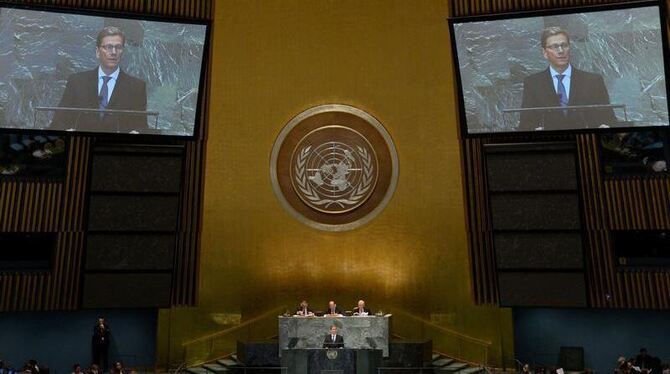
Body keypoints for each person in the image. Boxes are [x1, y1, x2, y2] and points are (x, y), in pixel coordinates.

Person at [51, 26, 147, 133]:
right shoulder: (77, 82)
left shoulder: (137, 87)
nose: (114, 52)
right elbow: (57, 122)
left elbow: (142, 126)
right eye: (108, 47)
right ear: (97, 52)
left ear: (122, 52)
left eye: (118, 47)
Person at [519, 26, 616, 131]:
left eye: (564, 45)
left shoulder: (593, 81)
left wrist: (606, 127)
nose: (560, 50)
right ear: (544, 53)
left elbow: (609, 119)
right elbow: (525, 123)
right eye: (555, 46)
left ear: (570, 48)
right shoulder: (533, 83)